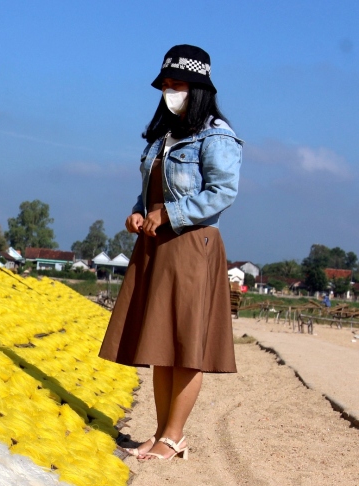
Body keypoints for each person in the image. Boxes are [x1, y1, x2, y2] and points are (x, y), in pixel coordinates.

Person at [98, 44, 242, 460]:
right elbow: (152, 191)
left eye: (176, 84)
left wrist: (171, 214)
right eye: (165, 84)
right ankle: (161, 433)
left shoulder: (217, 136)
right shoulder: (165, 136)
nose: (168, 91)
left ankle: (175, 435)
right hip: (157, 245)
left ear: (197, 89)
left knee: (186, 347)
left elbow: (222, 193)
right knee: (162, 345)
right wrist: (138, 213)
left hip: (192, 246)